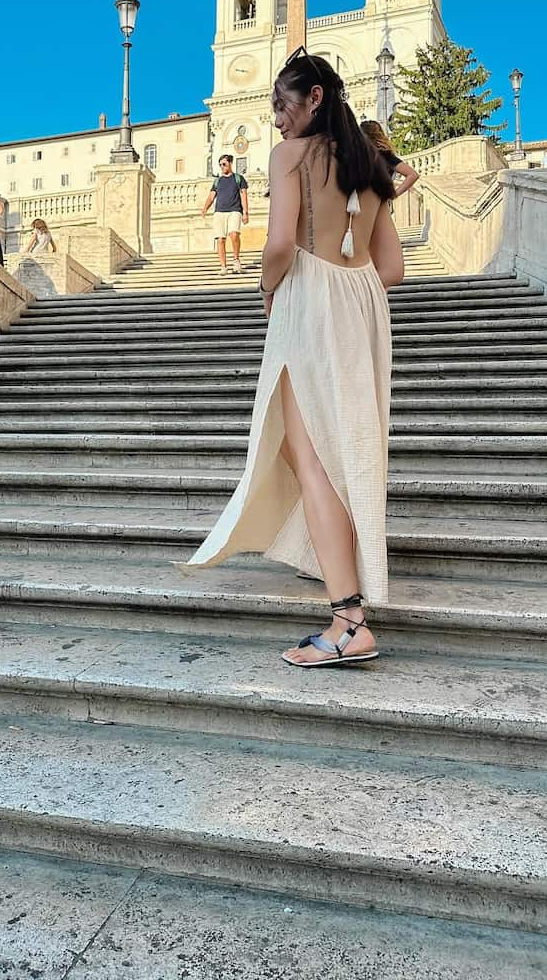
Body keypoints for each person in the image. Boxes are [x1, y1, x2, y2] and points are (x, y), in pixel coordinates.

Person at [179, 49, 402, 668]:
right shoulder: (371, 168)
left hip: (311, 302)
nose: (275, 118)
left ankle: (349, 620)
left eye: (282, 104)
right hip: (361, 307)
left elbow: (279, 244)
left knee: (313, 459)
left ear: (314, 101)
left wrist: (269, 288)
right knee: (334, 451)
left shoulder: (290, 159)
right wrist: (346, 291)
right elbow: (392, 270)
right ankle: (332, 563)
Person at [201, 153, 249, 275]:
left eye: (224, 164)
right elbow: (211, 196)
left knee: (234, 234)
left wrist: (245, 213)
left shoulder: (239, 179)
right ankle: (223, 266)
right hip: (219, 212)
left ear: (230, 164)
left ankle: (236, 260)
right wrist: (205, 209)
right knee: (220, 239)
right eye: (220, 165)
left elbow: (244, 195)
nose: (222, 167)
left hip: (235, 210)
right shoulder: (217, 181)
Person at [360, 121, 420, 197]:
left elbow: (413, 175)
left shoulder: (383, 155)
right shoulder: (369, 156)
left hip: (376, 202)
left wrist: (394, 195)